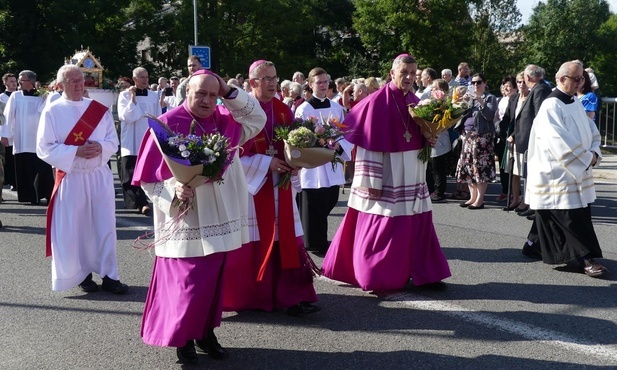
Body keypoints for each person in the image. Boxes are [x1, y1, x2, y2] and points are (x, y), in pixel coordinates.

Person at [132, 70, 266, 365]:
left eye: (213, 95)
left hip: (219, 214)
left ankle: (206, 332)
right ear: (186, 93)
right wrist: (175, 191)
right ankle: (184, 339)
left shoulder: (225, 120)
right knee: (187, 280)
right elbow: (148, 180)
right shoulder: (166, 124)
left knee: (213, 279)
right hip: (186, 215)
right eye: (200, 93)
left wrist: (230, 91)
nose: (207, 100)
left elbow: (257, 120)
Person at [322, 54, 451, 291]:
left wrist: (431, 138)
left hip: (413, 171)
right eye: (405, 73)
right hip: (386, 174)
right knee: (385, 222)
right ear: (392, 74)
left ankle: (423, 270)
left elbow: (424, 134)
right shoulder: (375, 103)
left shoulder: (419, 103)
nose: (410, 77)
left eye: (413, 73)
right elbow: (368, 145)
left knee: (417, 220)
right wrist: (370, 180)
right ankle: (378, 272)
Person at [221, 60, 319, 316]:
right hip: (252, 189)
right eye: (266, 79)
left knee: (287, 238)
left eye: (274, 78)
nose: (272, 83)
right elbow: (230, 155)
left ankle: (293, 295)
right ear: (252, 83)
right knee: (255, 239)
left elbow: (293, 147)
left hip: (281, 185)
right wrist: (266, 163)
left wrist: (296, 162)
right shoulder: (239, 113)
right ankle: (253, 296)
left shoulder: (283, 110)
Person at [36, 64, 128, 294]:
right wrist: (75, 151)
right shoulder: (52, 111)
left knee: (105, 226)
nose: (78, 84)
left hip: (99, 176)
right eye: (72, 80)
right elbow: (44, 148)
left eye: (80, 79)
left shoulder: (98, 109)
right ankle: (82, 275)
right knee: (76, 228)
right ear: (60, 85)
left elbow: (113, 141)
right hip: (73, 177)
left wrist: (101, 147)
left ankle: (110, 275)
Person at [524, 61, 607, 278]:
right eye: (576, 79)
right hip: (557, 173)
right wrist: (586, 158)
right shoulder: (551, 106)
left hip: (574, 169)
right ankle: (584, 258)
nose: (581, 83)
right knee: (571, 216)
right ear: (561, 79)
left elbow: (591, 129)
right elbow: (559, 141)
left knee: (551, 212)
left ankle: (533, 243)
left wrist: (595, 151)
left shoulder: (575, 102)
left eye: (582, 79)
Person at [295, 67, 352, 255]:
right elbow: (298, 137)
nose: (323, 85)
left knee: (330, 198)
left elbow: (342, 132)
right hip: (312, 163)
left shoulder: (336, 106)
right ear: (310, 85)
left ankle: (318, 238)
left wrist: (338, 145)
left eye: (326, 81)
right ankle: (312, 241)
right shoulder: (304, 108)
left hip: (330, 161)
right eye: (319, 82)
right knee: (313, 202)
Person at [0, 70, 54, 205]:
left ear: (31, 82)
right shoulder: (16, 96)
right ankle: (30, 196)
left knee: (43, 169)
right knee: (26, 169)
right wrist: (5, 135)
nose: (19, 83)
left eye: (21, 80)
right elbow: (8, 115)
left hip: (40, 139)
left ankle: (46, 194)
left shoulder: (43, 96)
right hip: (22, 138)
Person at [508, 65, 551, 217]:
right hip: (527, 138)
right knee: (530, 175)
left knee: (534, 175)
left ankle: (536, 207)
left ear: (528, 77)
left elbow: (540, 115)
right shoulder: (538, 89)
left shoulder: (540, 89)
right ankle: (532, 205)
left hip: (535, 140)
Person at [117, 67, 161, 215]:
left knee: (145, 172)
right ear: (134, 79)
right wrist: (133, 100)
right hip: (131, 139)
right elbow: (126, 117)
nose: (145, 80)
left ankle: (144, 201)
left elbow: (157, 117)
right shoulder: (124, 95)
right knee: (129, 173)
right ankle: (138, 202)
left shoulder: (154, 96)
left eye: (147, 77)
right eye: (142, 77)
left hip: (147, 137)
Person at [456, 73, 497, 210]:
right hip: (467, 137)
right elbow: (460, 115)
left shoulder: (490, 98)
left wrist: (481, 102)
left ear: (485, 83)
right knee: (468, 167)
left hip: (482, 137)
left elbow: (490, 116)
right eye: (473, 83)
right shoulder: (470, 99)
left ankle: (479, 200)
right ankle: (472, 197)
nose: (475, 85)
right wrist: (464, 103)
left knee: (480, 169)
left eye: (478, 82)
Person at [0, 73, 17, 191]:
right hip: (6, 131)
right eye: (11, 81)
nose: (14, 83)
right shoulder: (2, 97)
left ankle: (16, 182)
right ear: (5, 83)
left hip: (18, 132)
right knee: (8, 159)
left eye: (15, 81)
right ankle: (9, 180)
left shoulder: (20, 96)